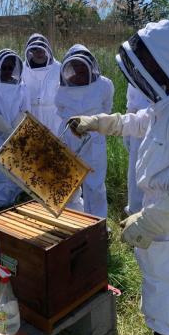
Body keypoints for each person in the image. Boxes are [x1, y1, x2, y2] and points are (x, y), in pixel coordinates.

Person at [68, 20, 169, 335]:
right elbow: (142, 122)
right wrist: (98, 122)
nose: (143, 69)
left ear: (164, 61)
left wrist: (150, 220)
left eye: (148, 61)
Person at [55, 45, 114, 217]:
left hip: (93, 137)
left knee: (95, 184)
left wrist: (94, 125)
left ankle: (97, 222)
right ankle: (73, 217)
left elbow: (107, 108)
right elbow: (60, 109)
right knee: (68, 177)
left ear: (91, 64)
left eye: (83, 66)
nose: (79, 70)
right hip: (68, 136)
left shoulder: (104, 84)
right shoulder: (63, 86)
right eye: (75, 66)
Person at [0, 49, 29, 207]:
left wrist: (14, 129)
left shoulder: (22, 87)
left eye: (11, 68)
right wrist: (6, 130)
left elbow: (24, 110)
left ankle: (14, 197)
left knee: (15, 167)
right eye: (4, 68)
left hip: (16, 135)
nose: (7, 71)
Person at [21, 33, 61, 134]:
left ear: (46, 49)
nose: (39, 52)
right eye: (35, 49)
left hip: (53, 117)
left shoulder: (58, 68)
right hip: (30, 116)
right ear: (30, 50)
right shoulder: (22, 68)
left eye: (42, 48)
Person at [123, 83, 150, 215]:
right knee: (136, 172)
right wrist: (127, 132)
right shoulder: (136, 73)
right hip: (137, 128)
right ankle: (135, 212)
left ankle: (151, 216)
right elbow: (132, 103)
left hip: (164, 129)